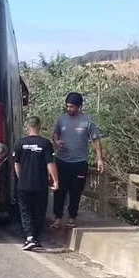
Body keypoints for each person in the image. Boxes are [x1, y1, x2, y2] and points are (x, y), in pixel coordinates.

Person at [51, 92, 105, 228]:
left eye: (72, 107)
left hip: (79, 162)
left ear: (79, 107)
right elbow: (55, 134)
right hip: (62, 160)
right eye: (67, 106)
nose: (69, 109)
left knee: (76, 191)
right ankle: (57, 218)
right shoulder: (61, 119)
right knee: (59, 191)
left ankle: (72, 217)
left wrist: (100, 159)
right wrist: (57, 141)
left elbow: (96, 140)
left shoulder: (88, 121)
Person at [13, 116, 59, 250]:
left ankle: (30, 237)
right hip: (40, 184)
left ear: (27, 128)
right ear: (40, 127)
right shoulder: (45, 143)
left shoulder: (20, 143)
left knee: (25, 211)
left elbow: (17, 164)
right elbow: (50, 163)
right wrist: (55, 181)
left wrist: (21, 178)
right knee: (39, 211)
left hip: (24, 184)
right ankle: (35, 237)